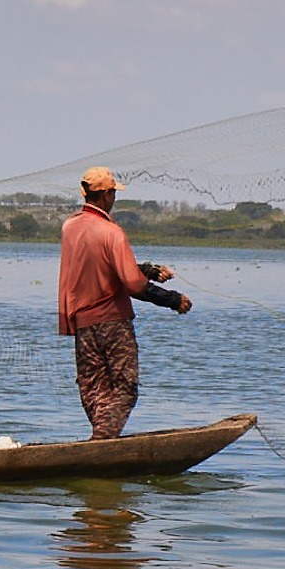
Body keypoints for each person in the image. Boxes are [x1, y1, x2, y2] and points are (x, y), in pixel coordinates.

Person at [58, 166, 191, 439]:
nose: (114, 199)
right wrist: (173, 299)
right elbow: (132, 285)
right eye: (113, 193)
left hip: (83, 323)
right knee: (124, 387)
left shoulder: (70, 227)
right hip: (113, 323)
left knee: (93, 386)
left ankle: (101, 439)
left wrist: (148, 269)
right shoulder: (112, 232)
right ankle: (102, 442)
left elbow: (101, 267)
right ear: (106, 195)